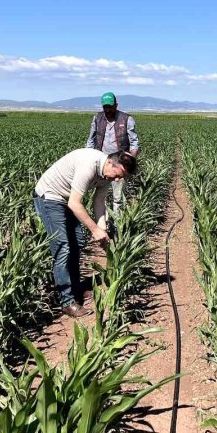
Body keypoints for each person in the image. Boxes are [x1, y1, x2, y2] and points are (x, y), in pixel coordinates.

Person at [34, 149, 137, 317]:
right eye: (119, 174)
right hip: (50, 197)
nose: (118, 179)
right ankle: (67, 301)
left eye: (122, 177)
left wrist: (102, 229)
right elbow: (75, 204)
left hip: (67, 199)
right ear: (110, 162)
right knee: (62, 248)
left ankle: (76, 288)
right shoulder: (88, 166)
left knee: (77, 242)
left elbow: (99, 201)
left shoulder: (107, 175)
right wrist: (94, 230)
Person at [85, 92, 140, 217]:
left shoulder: (126, 119)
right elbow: (91, 140)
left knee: (118, 197)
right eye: (105, 107)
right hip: (102, 164)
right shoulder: (97, 118)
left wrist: (129, 161)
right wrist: (87, 156)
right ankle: (103, 221)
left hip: (119, 164)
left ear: (116, 105)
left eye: (110, 107)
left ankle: (117, 222)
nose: (108, 110)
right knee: (100, 196)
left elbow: (134, 143)